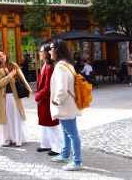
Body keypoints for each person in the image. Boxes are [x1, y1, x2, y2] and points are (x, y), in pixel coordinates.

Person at [49, 39, 83, 171]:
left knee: (72, 134)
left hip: (65, 105)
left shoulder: (61, 67)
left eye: (51, 48)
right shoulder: (67, 64)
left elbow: (62, 89)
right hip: (68, 105)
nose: (49, 50)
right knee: (65, 131)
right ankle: (64, 154)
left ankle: (77, 162)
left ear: (57, 50)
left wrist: (56, 100)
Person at [0, 48, 32, 147]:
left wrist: (28, 90)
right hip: (3, 98)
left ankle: (18, 138)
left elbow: (22, 78)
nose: (2, 57)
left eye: (3, 54)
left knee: (16, 117)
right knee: (6, 117)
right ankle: (7, 138)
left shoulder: (13, 65)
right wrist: (10, 75)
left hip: (14, 96)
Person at [35, 44, 63, 156]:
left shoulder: (49, 67)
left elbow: (48, 87)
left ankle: (58, 147)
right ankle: (45, 144)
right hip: (44, 100)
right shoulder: (45, 65)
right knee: (45, 124)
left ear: (46, 53)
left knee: (53, 125)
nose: (40, 53)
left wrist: (38, 95)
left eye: (41, 51)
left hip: (47, 99)